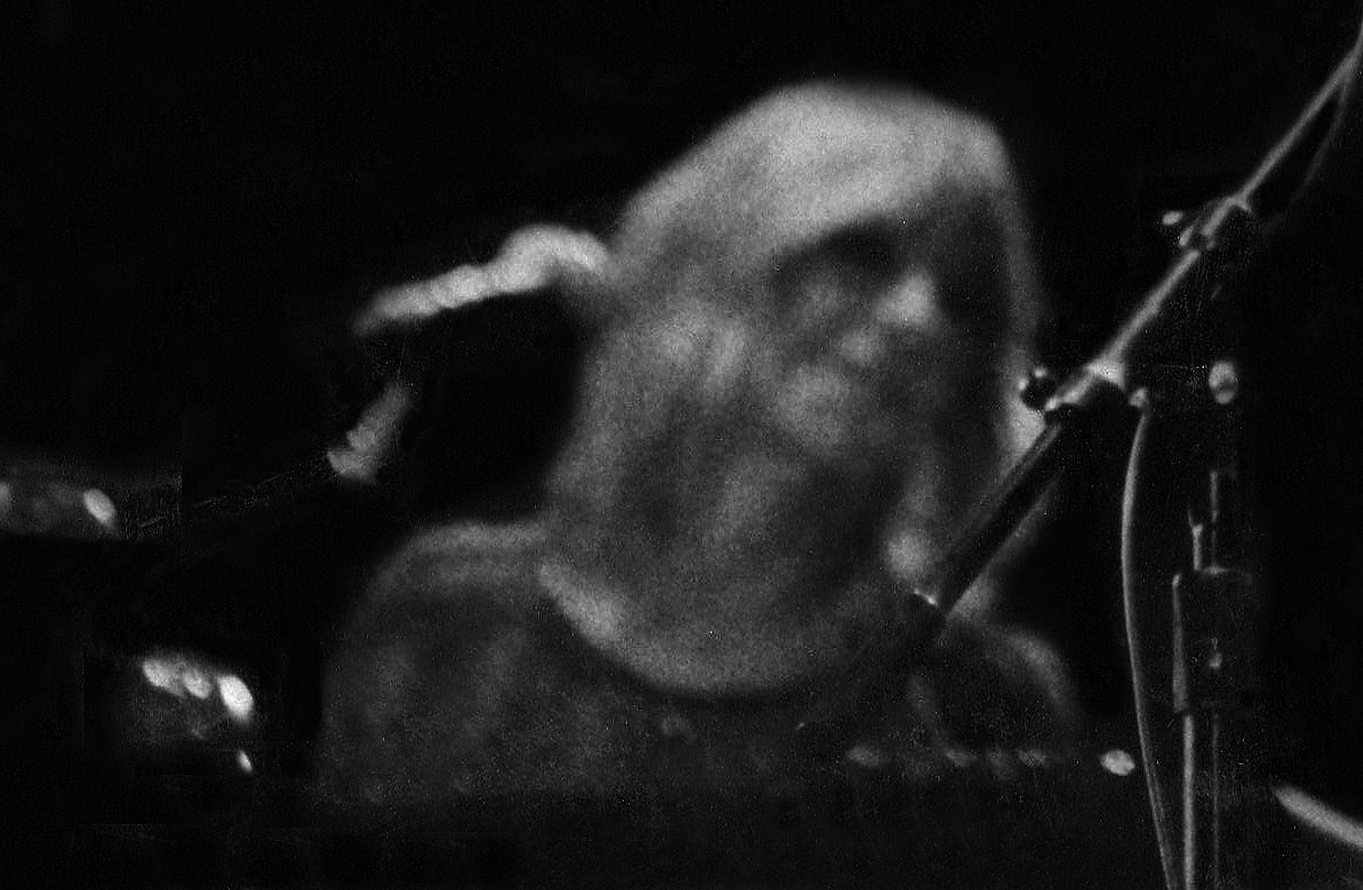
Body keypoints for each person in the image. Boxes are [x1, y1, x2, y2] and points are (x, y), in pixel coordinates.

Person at [313, 81, 1077, 805]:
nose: (920, 315)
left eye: (965, 293)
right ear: (715, 269)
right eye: (861, 252)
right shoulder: (447, 621)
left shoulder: (977, 698)